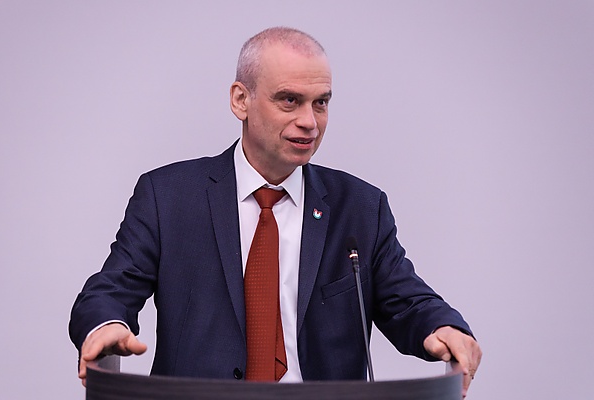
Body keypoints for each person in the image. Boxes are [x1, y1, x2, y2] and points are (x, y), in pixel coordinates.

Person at [69, 27, 482, 396]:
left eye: (321, 103)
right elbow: (111, 290)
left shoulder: (360, 207)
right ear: (241, 100)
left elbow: (408, 301)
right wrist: (106, 325)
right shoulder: (168, 196)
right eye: (290, 100)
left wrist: (444, 327)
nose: (310, 122)